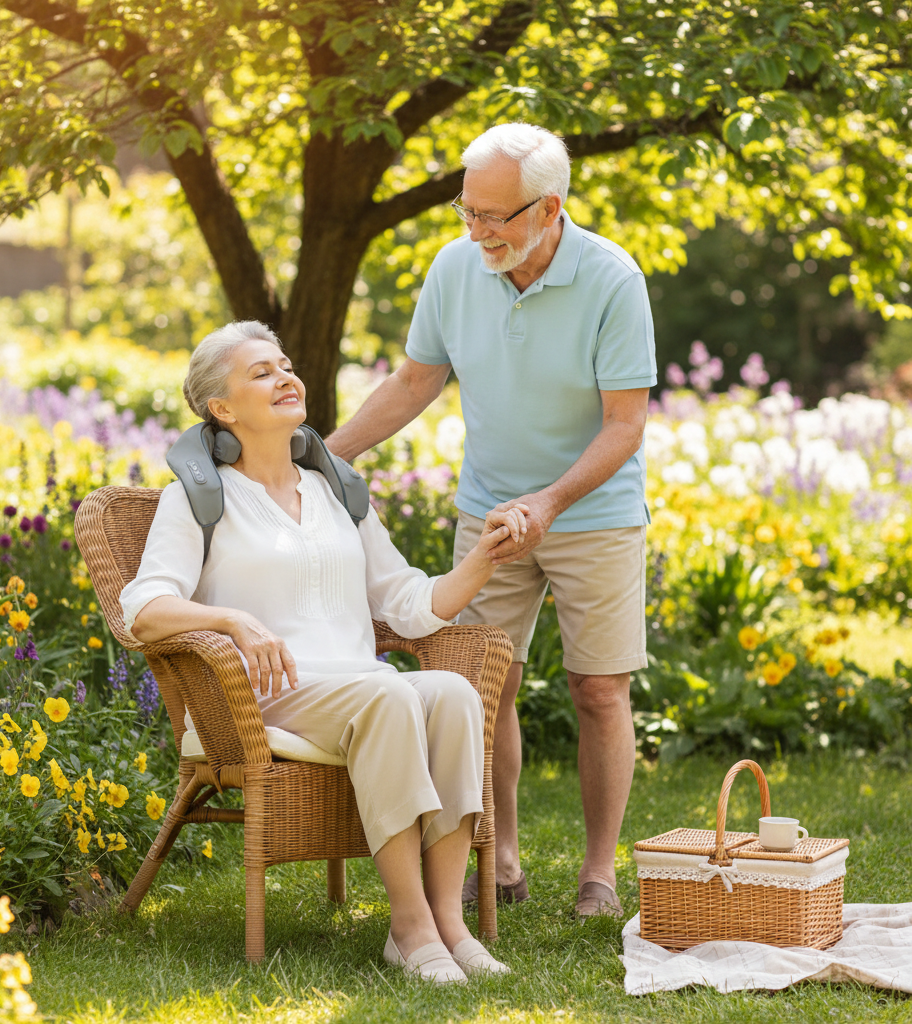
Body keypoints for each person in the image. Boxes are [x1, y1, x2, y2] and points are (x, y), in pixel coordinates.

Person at [120, 320, 528, 983]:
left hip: (356, 685)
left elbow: (406, 601)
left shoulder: (337, 494)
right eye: (261, 372)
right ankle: (410, 926)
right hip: (262, 695)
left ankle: (449, 920)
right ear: (221, 408)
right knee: (389, 692)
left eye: (285, 365)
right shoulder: (199, 498)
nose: (285, 377)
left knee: (449, 693)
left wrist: (484, 558)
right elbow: (141, 610)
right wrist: (232, 621)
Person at [327, 123, 656, 918]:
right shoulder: (455, 267)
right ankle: (501, 861)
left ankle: (598, 877)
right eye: (467, 212)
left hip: (592, 513)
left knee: (598, 691)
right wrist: (319, 456)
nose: (477, 232)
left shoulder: (612, 278)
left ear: (549, 209)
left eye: (495, 217)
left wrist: (549, 502)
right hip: (488, 512)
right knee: (484, 685)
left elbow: (624, 425)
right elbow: (413, 383)